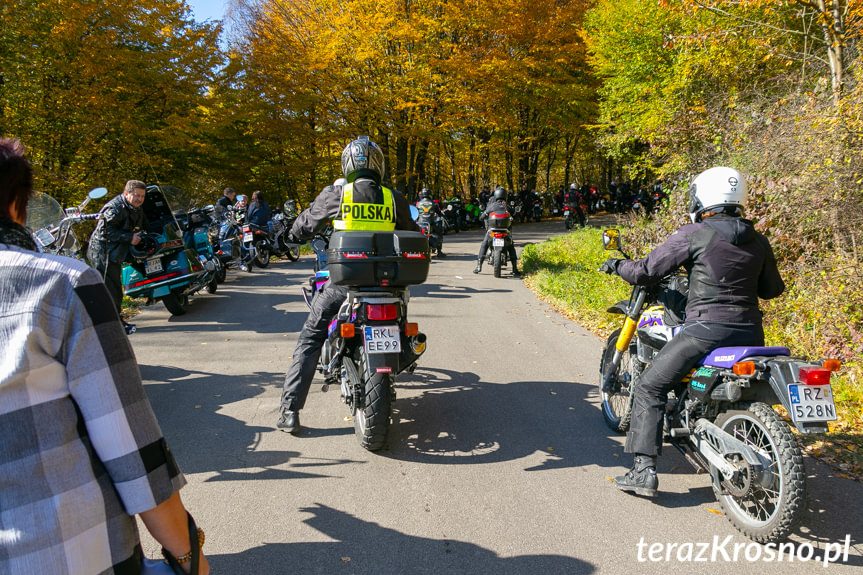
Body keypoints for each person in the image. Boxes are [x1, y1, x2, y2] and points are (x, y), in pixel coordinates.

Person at [0, 138, 209, 574]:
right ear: (17, 203)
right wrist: (186, 554)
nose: (136, 199)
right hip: (69, 550)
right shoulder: (61, 285)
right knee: (110, 300)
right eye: (134, 194)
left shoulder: (133, 209)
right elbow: (130, 443)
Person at [600, 166, 785, 497]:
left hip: (705, 331)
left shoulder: (696, 233)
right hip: (750, 336)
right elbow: (771, 290)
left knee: (649, 386)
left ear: (703, 197)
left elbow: (645, 271)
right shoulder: (759, 240)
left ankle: (643, 471)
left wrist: (617, 265)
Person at [277, 137, 418, 434]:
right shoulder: (393, 198)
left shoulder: (337, 194)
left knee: (311, 337)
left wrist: (290, 235)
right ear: (379, 165)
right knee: (403, 321)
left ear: (347, 164)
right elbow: (414, 233)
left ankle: (290, 410)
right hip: (387, 287)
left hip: (345, 284)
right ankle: (402, 355)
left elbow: (305, 225)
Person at [87, 179, 148, 335]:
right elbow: (103, 231)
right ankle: (115, 326)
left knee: (115, 290)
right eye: (136, 195)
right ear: (126, 193)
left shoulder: (135, 208)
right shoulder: (115, 208)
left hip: (115, 253)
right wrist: (129, 238)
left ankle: (113, 324)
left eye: (142, 196)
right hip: (103, 253)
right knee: (111, 290)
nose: (140, 199)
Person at [473, 186, 520, 276]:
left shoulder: (492, 206)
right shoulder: (507, 206)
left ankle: (479, 266)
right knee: (511, 246)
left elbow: (482, 217)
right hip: (505, 231)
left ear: (495, 195)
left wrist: (481, 218)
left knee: (484, 244)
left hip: (492, 230)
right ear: (505, 195)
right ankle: (514, 268)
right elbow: (514, 215)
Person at [416, 187, 445, 256]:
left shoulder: (418, 203)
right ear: (429, 194)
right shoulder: (433, 203)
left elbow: (416, 213)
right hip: (430, 223)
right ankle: (439, 252)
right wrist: (441, 216)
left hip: (420, 223)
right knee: (440, 233)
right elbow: (439, 213)